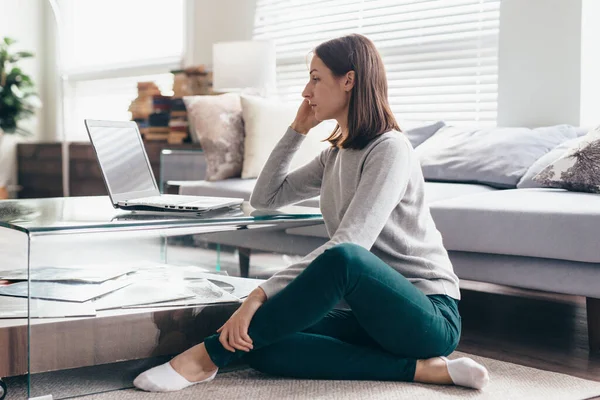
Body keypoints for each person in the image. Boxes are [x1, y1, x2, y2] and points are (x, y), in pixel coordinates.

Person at [133, 33, 490, 393]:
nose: (307, 91)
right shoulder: (335, 155)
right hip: (366, 317)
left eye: (316, 78)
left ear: (348, 80)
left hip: (428, 316)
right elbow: (266, 196)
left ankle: (207, 358)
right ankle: (420, 371)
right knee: (260, 347)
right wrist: (297, 130)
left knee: (344, 258)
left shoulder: (390, 149)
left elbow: (351, 245)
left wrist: (260, 293)